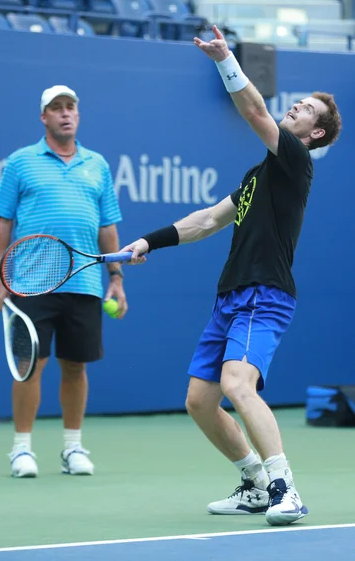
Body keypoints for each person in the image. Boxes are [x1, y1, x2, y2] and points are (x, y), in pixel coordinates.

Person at [120, 27, 342, 526]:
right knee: (200, 401)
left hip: (265, 293)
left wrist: (225, 60)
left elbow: (255, 112)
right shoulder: (256, 176)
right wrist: (147, 241)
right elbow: (206, 221)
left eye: (306, 109)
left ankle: (286, 487)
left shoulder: (295, 160)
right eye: (300, 103)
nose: (296, 108)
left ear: (316, 133)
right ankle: (255, 483)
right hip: (230, 297)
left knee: (238, 384)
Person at [0, 85, 127, 478]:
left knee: (75, 367)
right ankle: (21, 450)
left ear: (78, 116)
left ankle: (72, 448)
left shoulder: (97, 164)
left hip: (84, 283)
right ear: (44, 117)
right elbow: (2, 221)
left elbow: (107, 226)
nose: (65, 114)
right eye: (57, 108)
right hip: (31, 283)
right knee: (29, 366)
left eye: (71, 108)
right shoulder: (21, 162)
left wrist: (115, 277)